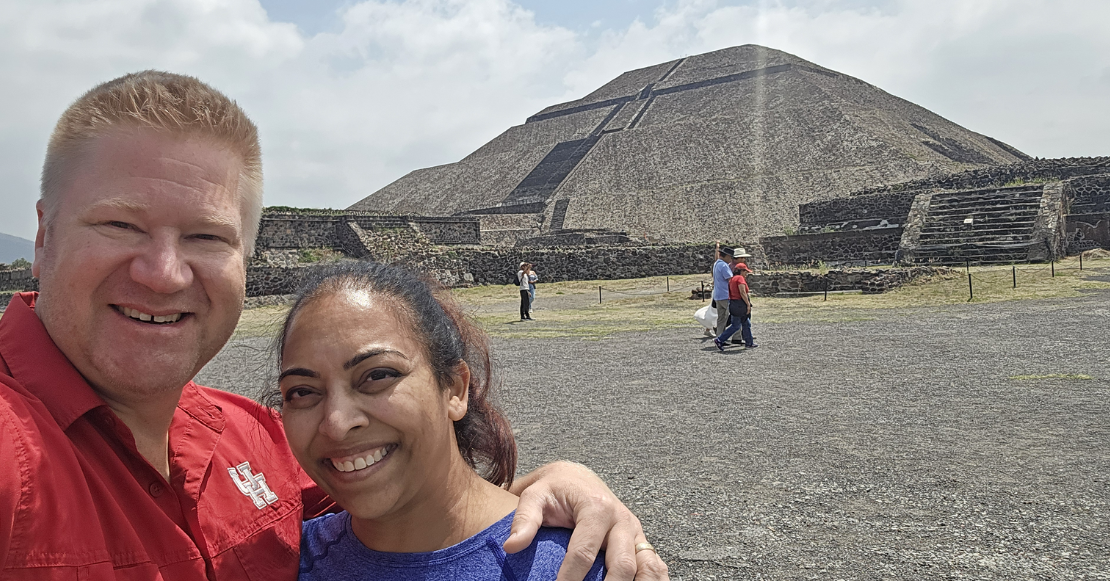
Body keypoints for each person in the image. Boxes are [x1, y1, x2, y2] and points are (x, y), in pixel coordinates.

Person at [0, 70, 668, 580]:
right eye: (120, 224)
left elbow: (409, 503)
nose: (165, 273)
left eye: (207, 236)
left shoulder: (259, 441)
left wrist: (554, 486)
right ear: (44, 235)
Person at [276, 262, 606, 580]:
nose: (337, 423)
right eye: (302, 392)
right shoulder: (275, 561)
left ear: (455, 389)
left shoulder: (575, 566)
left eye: (378, 375)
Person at [713, 263, 757, 350]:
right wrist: (748, 304)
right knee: (737, 325)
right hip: (740, 304)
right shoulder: (740, 279)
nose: (746, 274)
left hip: (733, 303)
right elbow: (742, 292)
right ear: (741, 271)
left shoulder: (732, 279)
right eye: (745, 271)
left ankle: (749, 342)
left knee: (744, 323)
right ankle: (720, 339)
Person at [711, 243, 736, 338]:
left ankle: (719, 336)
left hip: (718, 295)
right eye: (730, 257)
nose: (731, 260)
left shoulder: (716, 264)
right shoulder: (724, 266)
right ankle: (731, 336)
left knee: (721, 318)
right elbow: (730, 279)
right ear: (727, 256)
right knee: (732, 316)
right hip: (725, 295)